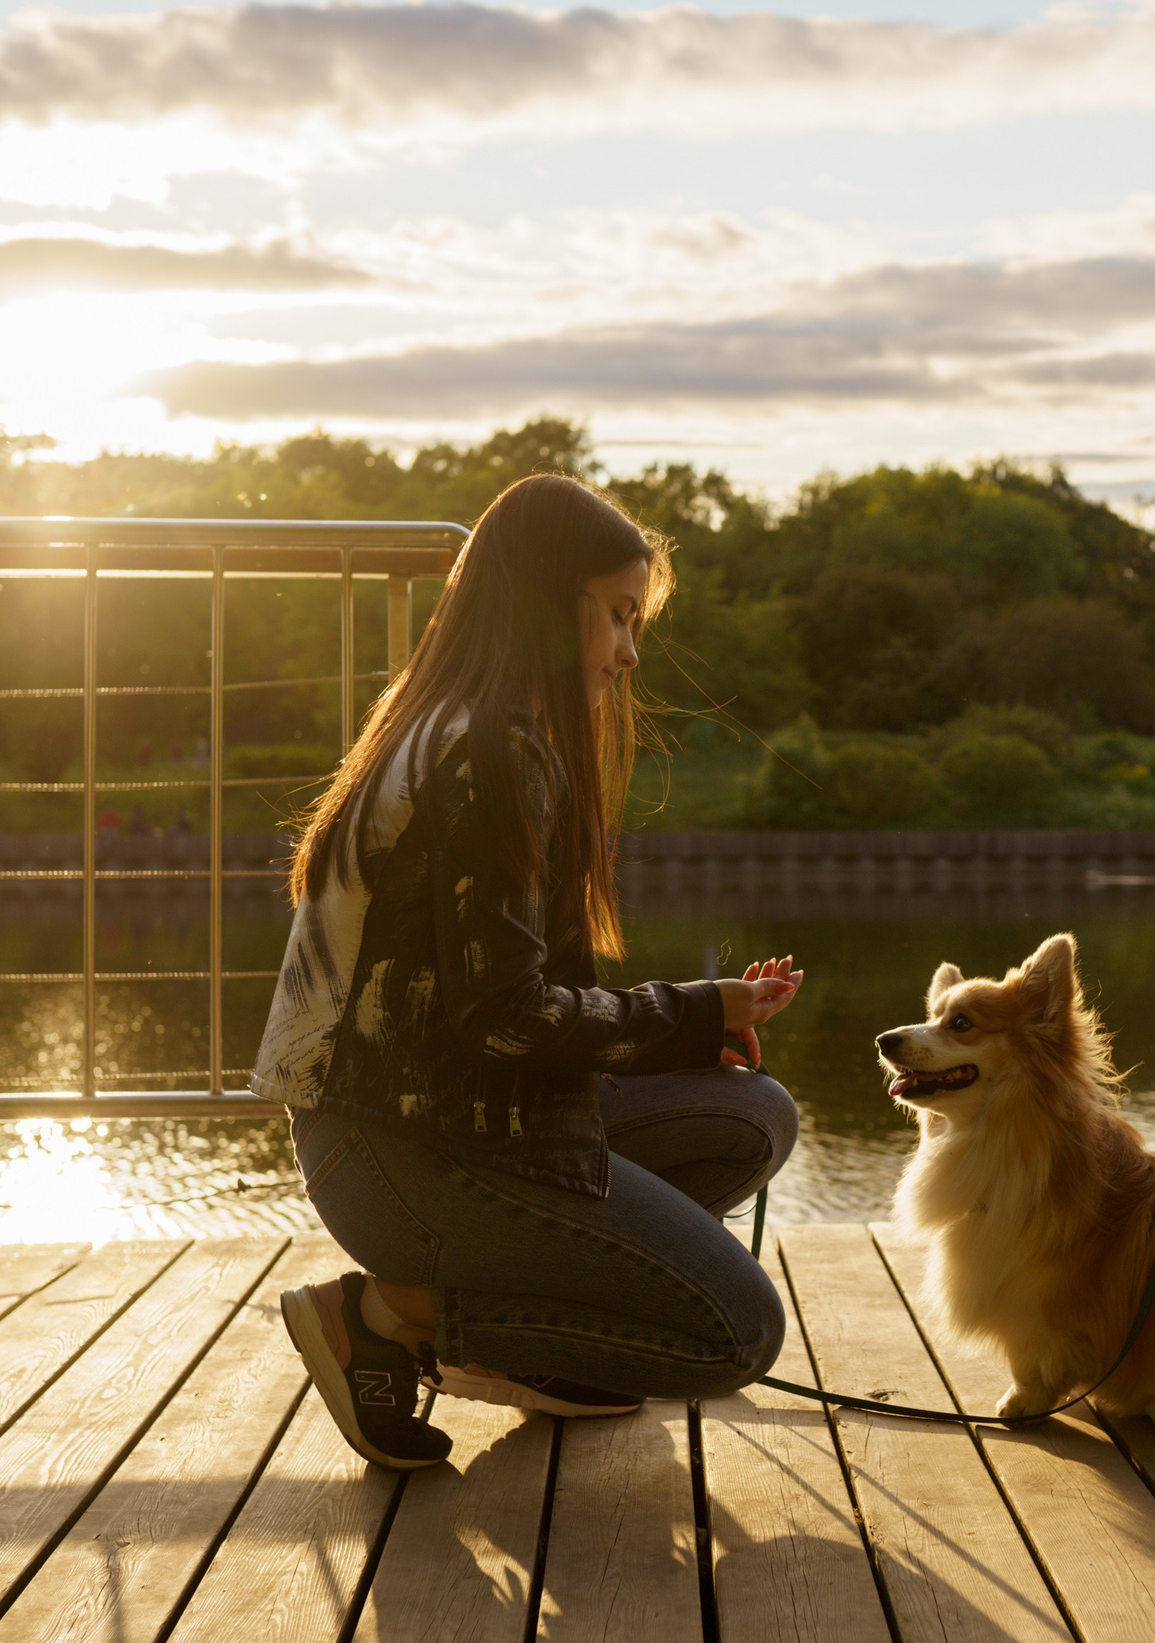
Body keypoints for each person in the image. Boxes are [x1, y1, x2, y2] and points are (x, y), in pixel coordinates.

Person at [253, 474, 806, 1470]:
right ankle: (384, 1314)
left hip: (428, 1126)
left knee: (753, 1112)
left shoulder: (454, 721)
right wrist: (690, 1009)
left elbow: (492, 1016)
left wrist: (701, 1019)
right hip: (406, 1156)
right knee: (737, 1334)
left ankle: (538, 1351)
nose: (630, 651)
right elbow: (506, 1020)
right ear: (549, 601)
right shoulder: (493, 750)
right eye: (619, 616)